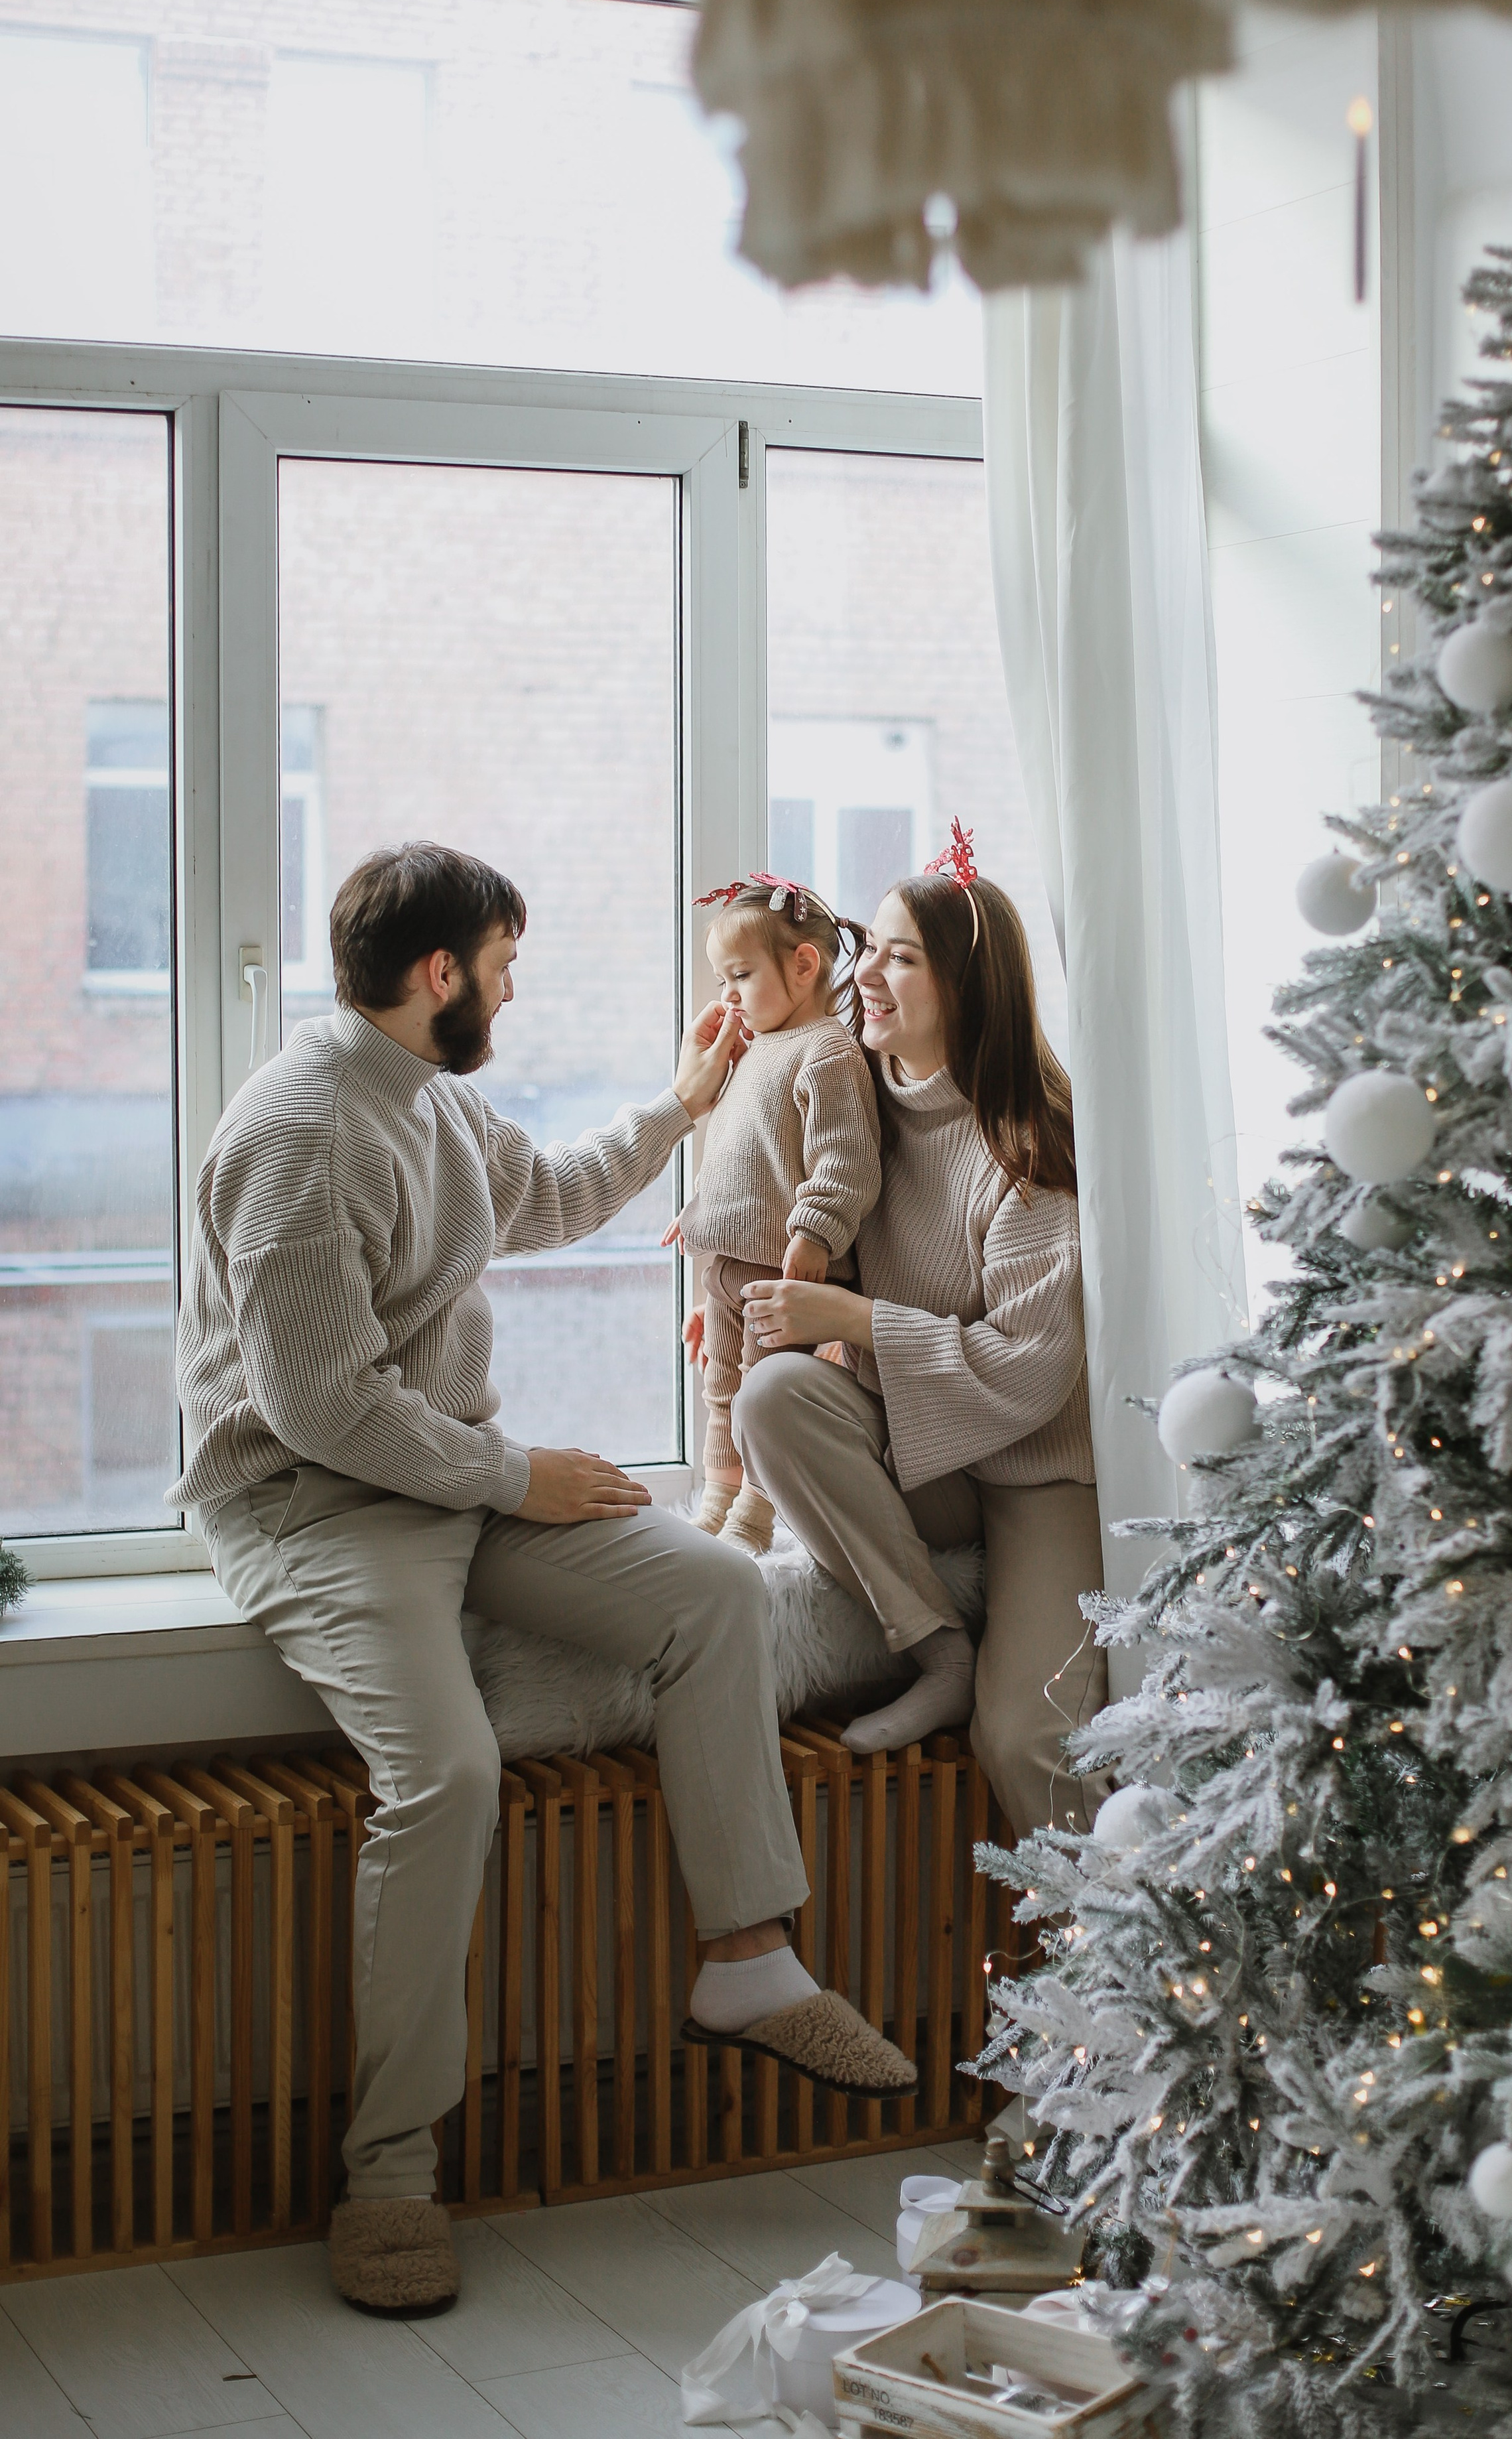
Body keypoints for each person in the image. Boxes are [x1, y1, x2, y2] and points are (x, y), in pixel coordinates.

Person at [170, 842, 913, 2320]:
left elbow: (550, 1196)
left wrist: (683, 1106)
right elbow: (319, 1405)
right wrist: (517, 1480)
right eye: (503, 966)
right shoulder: (304, 1132)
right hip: (320, 1503)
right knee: (441, 1775)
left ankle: (749, 1961)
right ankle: (388, 2171)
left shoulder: (428, 1097)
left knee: (709, 1592)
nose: (513, 989)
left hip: (443, 1468)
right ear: (437, 974)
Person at [732, 823, 1109, 1838]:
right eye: (873, 954)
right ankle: (938, 1648)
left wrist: (855, 1319)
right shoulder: (858, 1106)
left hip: (1037, 1473)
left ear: (966, 987)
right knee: (772, 1398)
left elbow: (1032, 1372)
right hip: (926, 1456)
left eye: (903, 959)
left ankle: (1107, 1979)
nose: (871, 980)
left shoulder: (1030, 1151)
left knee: (1028, 1740)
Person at [667, 874, 880, 1555]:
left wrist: (816, 1230)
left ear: (802, 965)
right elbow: (739, 1153)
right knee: (720, 1385)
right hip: (728, 1263)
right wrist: (697, 1212)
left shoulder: (828, 1052)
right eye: (720, 977)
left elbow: (845, 1161)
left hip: (779, 1267)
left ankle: (754, 1519)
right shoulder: (757, 1049)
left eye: (740, 975)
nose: (726, 994)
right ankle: (716, 1500)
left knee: (761, 1398)